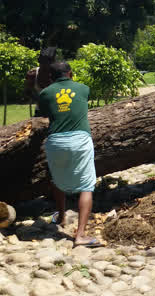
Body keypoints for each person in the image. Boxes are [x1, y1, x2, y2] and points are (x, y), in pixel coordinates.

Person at [39, 61, 100, 247]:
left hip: (55, 141)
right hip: (80, 140)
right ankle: (80, 236)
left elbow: (45, 114)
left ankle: (61, 217)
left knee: (56, 180)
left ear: (51, 77)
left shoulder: (45, 93)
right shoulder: (83, 88)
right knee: (86, 186)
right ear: (70, 74)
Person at [25, 47, 57, 117]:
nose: (44, 66)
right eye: (42, 63)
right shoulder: (32, 74)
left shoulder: (58, 74)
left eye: (47, 64)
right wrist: (40, 100)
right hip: (40, 110)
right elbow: (27, 92)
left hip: (57, 110)